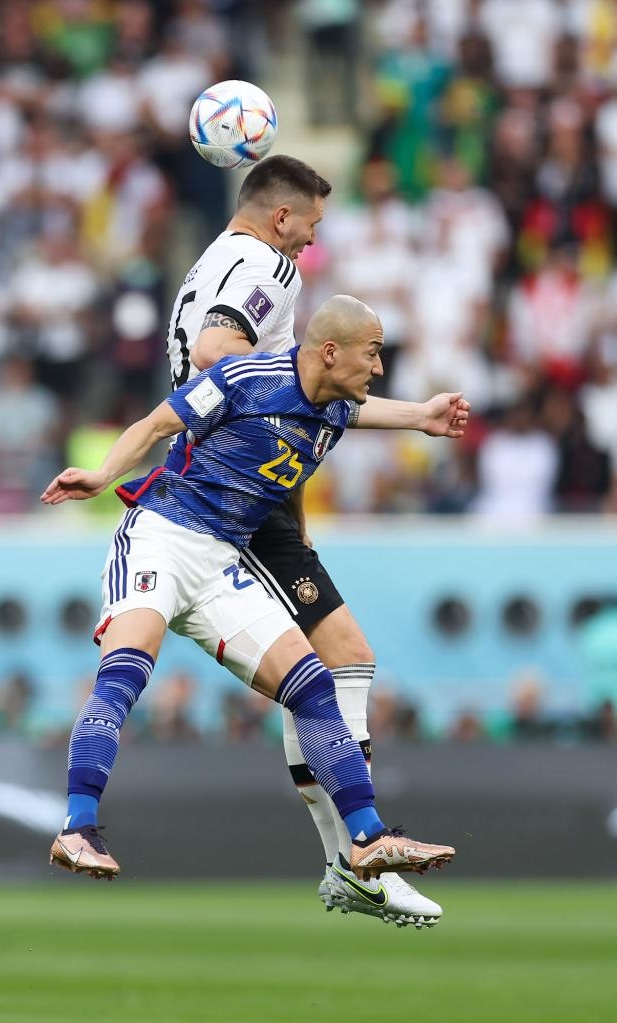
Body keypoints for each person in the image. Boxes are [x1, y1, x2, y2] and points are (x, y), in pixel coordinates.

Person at [42, 296, 459, 890]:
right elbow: (159, 424)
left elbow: (362, 414)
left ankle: (367, 839)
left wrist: (421, 415)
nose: (379, 366)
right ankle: (77, 827)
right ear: (331, 352)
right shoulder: (246, 378)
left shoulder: (334, 410)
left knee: (312, 685)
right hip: (163, 537)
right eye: (372, 353)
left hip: (223, 565)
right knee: (124, 675)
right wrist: (103, 475)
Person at [164, 155, 469, 926]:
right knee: (334, 664)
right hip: (232, 489)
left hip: (241, 480)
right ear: (280, 217)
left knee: (337, 664)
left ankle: (351, 857)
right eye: (310, 225)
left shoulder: (215, 259)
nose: (311, 241)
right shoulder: (268, 266)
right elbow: (216, 354)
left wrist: (415, 415)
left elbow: (302, 391)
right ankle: (355, 856)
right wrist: (263, 418)